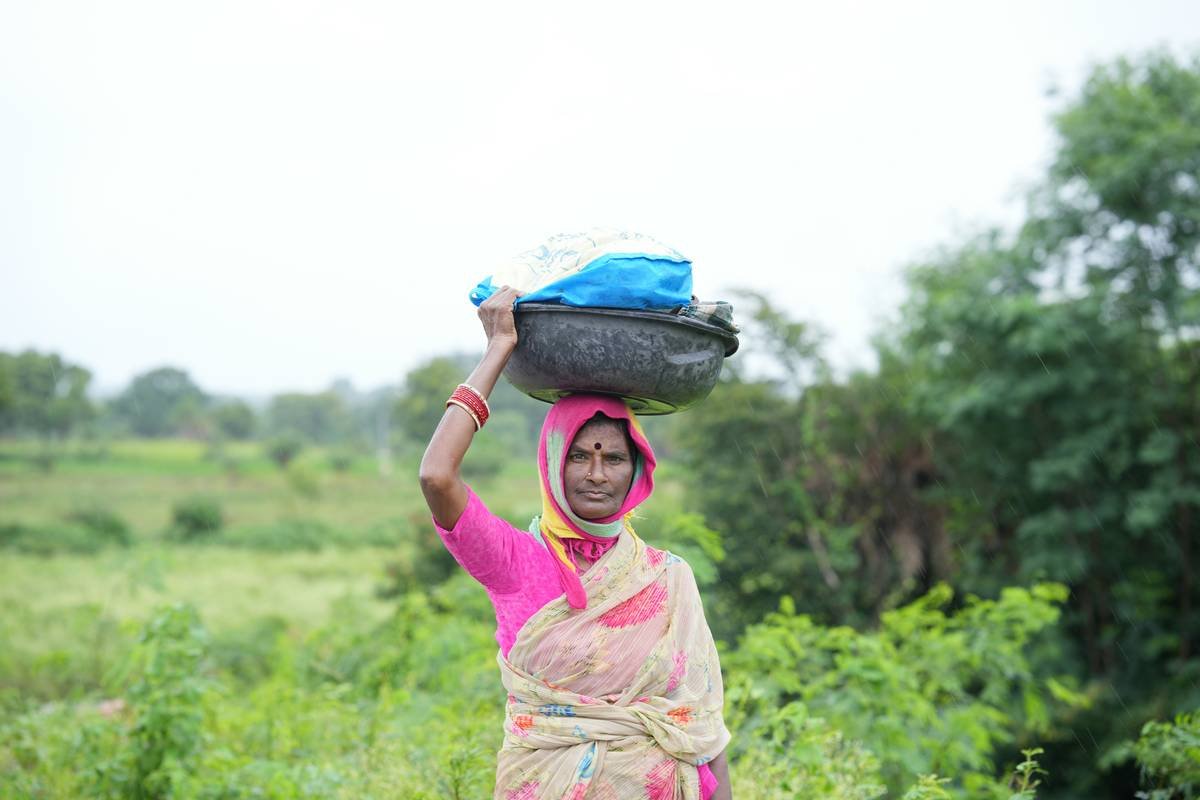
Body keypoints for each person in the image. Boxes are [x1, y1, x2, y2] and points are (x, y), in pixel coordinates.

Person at [420, 286, 733, 799]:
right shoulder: (513, 561)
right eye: (579, 455)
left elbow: (698, 719)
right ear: (552, 459)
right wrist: (498, 348)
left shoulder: (666, 576)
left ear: (637, 469)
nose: (595, 474)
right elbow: (436, 477)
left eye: (613, 458)